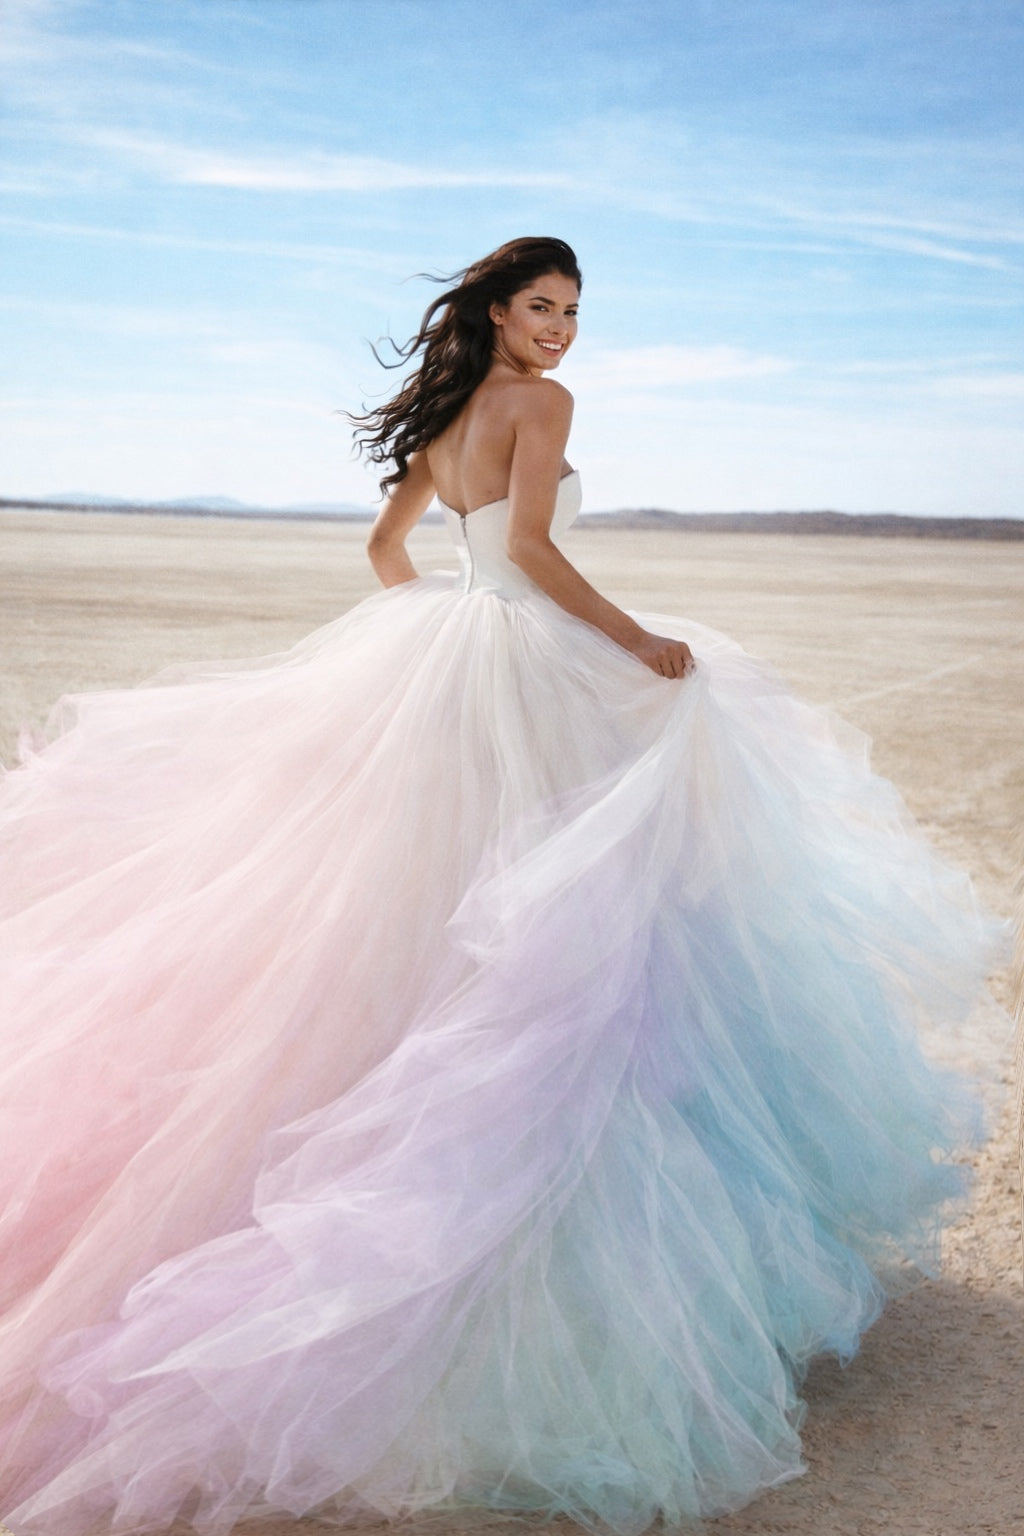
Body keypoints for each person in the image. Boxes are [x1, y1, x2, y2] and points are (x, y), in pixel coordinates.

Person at [0, 237, 1003, 1536]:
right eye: (542, 307)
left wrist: (435, 627)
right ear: (492, 309)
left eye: (575, 312)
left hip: (438, 671)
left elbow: (384, 553)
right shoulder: (541, 407)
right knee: (552, 929)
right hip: (522, 663)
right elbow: (528, 547)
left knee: (411, 914)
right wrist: (633, 637)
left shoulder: (445, 419)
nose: (562, 331)